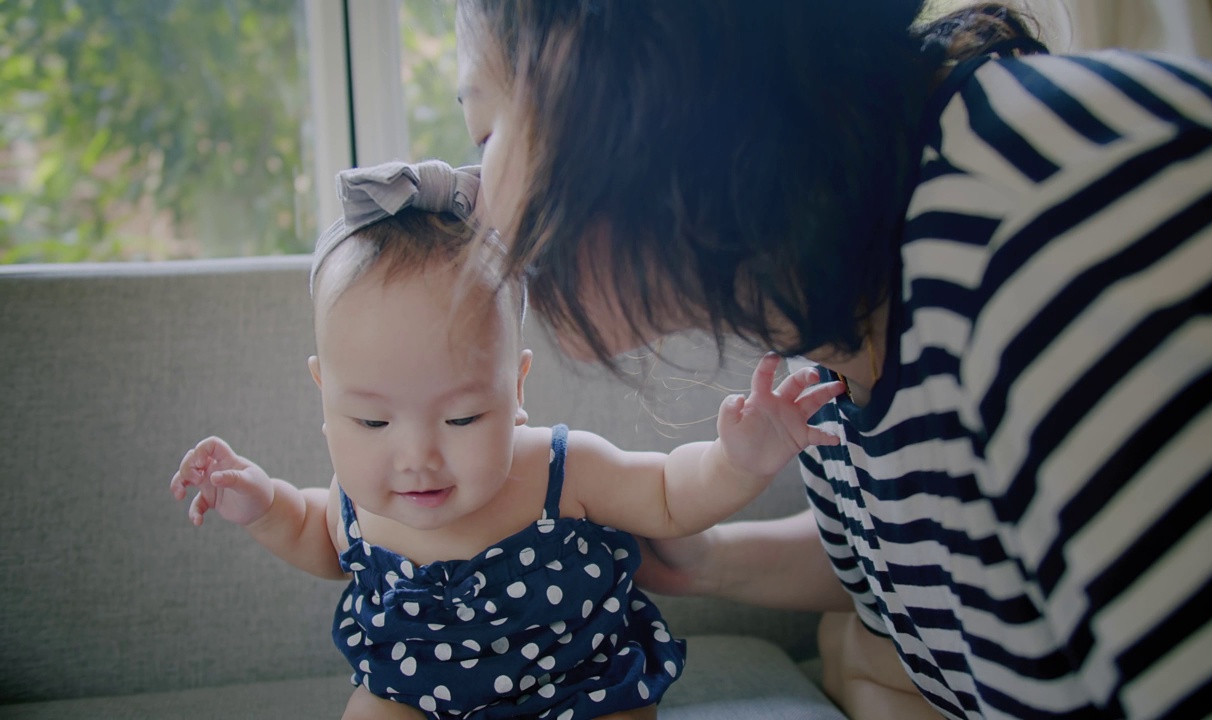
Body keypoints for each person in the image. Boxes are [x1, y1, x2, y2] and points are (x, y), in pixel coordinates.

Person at [453, 1, 1212, 718]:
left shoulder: (1070, 252)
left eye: (485, 129)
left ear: (612, 80)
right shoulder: (828, 293)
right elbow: (952, 538)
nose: (475, 201)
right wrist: (700, 558)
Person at [169, 159, 846, 720]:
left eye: (461, 418)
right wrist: (260, 505)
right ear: (324, 394)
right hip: (415, 697)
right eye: (372, 422)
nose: (415, 458)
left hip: (582, 688)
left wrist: (737, 461)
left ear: (517, 390)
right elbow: (314, 537)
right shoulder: (354, 497)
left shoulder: (563, 469)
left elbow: (669, 494)